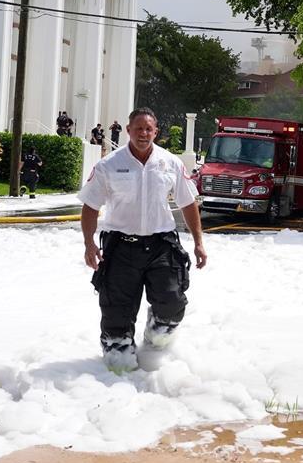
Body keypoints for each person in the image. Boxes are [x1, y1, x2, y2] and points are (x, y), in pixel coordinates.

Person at [79, 107, 207, 374]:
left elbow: (188, 202)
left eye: (149, 129)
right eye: (138, 128)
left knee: (172, 305)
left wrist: (198, 242)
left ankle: (154, 344)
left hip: (161, 246)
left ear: (155, 132)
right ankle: (117, 372)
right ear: (128, 131)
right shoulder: (109, 165)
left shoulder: (170, 162)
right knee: (117, 319)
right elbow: (90, 206)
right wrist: (89, 244)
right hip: (121, 247)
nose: (143, 134)